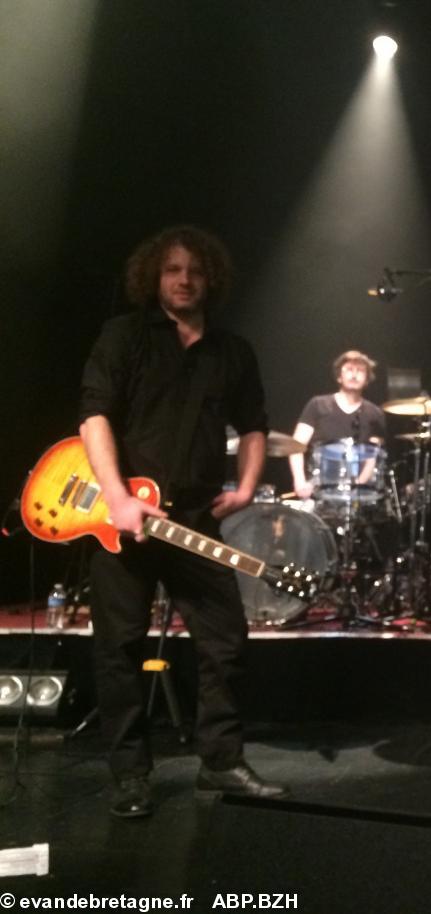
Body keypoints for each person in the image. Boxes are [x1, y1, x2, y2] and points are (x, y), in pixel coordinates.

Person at [79, 225, 289, 818]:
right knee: (118, 647)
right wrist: (118, 497)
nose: (184, 279)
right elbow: (93, 417)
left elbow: (254, 424)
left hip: (194, 521)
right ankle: (129, 775)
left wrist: (246, 485)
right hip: (122, 517)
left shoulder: (233, 351)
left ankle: (220, 762)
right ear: (154, 276)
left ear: (211, 279)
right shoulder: (124, 336)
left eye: (194, 270)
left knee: (225, 641)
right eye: (172, 270)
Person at [288, 350, 388, 500]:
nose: (354, 375)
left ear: (367, 379)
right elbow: (295, 446)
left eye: (360, 370)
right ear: (339, 377)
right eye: (349, 369)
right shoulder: (318, 404)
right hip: (318, 489)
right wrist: (300, 481)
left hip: (358, 493)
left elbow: (373, 458)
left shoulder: (375, 413)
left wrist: (358, 486)